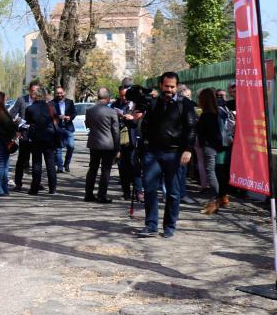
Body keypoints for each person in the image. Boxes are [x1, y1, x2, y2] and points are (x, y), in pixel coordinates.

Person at [136, 72, 197, 239]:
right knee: (149, 190)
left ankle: (169, 226)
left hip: (175, 153)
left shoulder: (185, 104)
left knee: (173, 192)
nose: (169, 89)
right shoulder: (153, 103)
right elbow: (145, 125)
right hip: (153, 153)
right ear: (161, 85)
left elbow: (192, 128)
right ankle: (151, 225)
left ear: (177, 86)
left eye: (172, 86)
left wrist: (188, 149)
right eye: (166, 86)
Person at [196, 87, 231, 215]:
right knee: (218, 173)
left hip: (209, 147)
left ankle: (214, 202)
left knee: (211, 173)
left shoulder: (206, 115)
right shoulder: (218, 112)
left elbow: (202, 132)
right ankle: (220, 199)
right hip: (220, 146)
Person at [84, 88, 121, 203]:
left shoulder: (89, 110)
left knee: (92, 169)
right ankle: (101, 195)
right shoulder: (112, 112)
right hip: (108, 145)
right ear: (108, 98)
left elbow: (88, 125)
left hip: (94, 144)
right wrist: (117, 147)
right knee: (105, 171)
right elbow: (115, 131)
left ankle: (88, 194)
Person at [24, 90, 60, 195]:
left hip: (36, 138)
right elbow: (56, 119)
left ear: (34, 97)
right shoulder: (51, 107)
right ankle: (52, 188)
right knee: (50, 163)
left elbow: (28, 122)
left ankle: (34, 188)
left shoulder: (30, 109)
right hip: (49, 138)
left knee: (36, 163)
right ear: (44, 96)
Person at [7, 81, 40, 190]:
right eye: (33, 91)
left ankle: (36, 183)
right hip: (24, 133)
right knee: (21, 159)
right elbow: (11, 114)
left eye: (37, 91)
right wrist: (15, 130)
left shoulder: (42, 101)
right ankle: (18, 183)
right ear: (29, 90)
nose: (35, 93)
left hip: (37, 134)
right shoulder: (22, 100)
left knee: (36, 160)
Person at [51, 85, 76, 173]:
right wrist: (58, 117)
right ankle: (60, 167)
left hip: (68, 127)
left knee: (71, 146)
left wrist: (70, 117)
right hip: (57, 128)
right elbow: (49, 115)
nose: (59, 94)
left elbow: (74, 112)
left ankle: (67, 164)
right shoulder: (51, 103)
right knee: (58, 148)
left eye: (61, 93)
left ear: (64, 93)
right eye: (57, 93)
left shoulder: (70, 102)